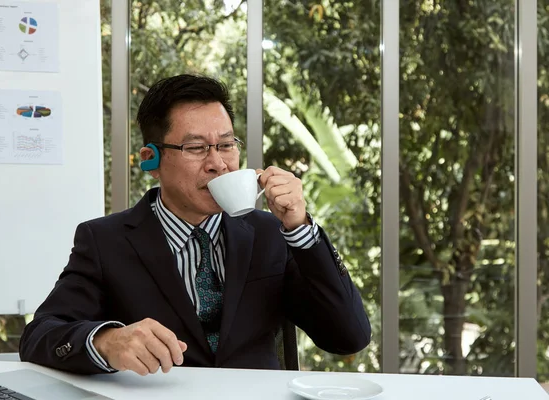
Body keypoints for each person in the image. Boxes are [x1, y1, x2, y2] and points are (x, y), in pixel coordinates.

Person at [19, 74, 371, 375]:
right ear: (150, 160)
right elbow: (40, 336)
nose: (218, 163)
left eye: (227, 145)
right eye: (196, 148)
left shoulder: (270, 235)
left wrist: (300, 229)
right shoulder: (105, 240)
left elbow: (348, 336)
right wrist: (106, 341)